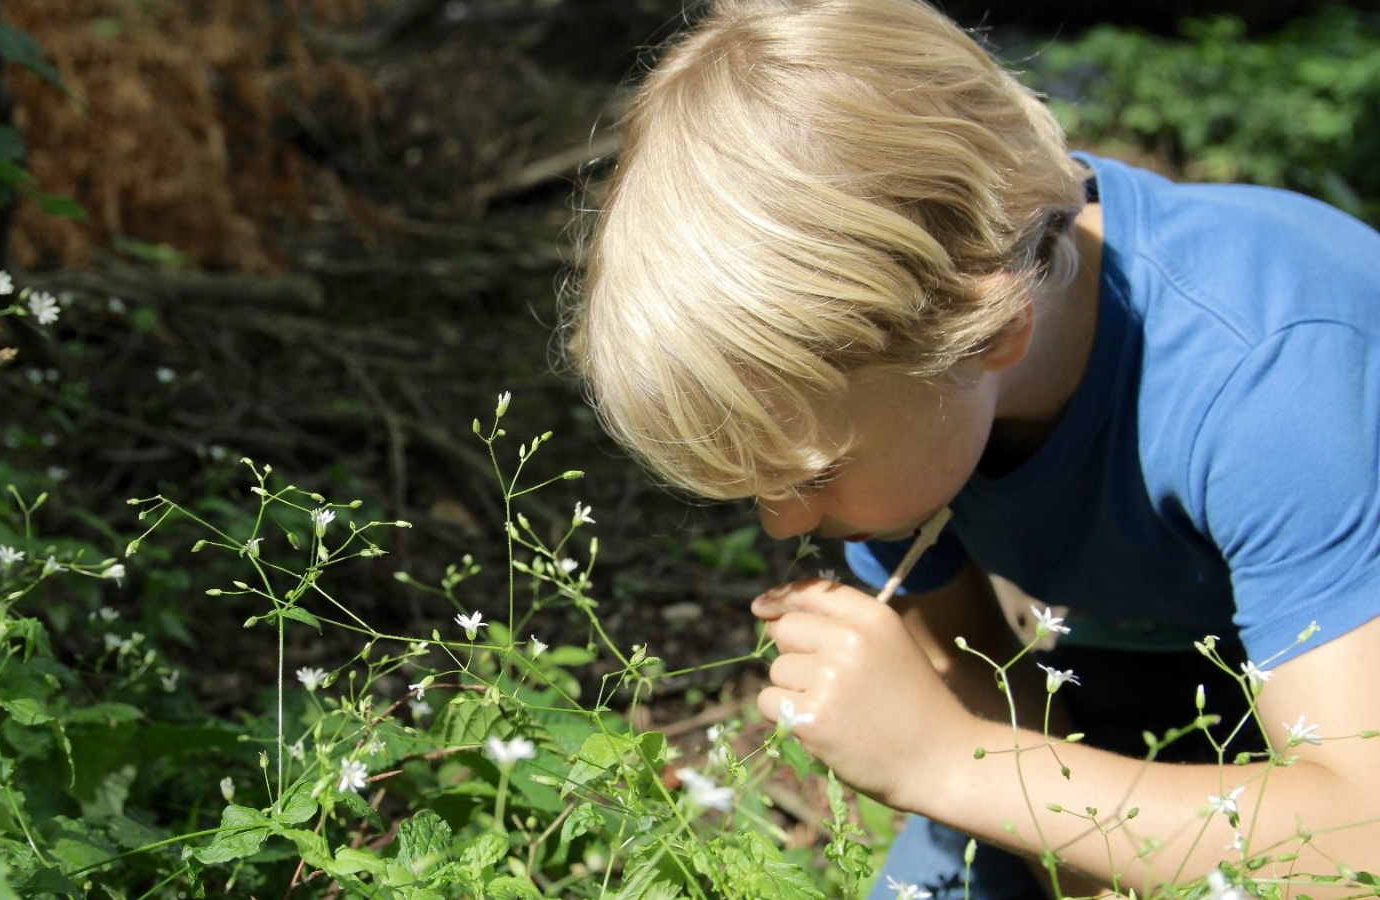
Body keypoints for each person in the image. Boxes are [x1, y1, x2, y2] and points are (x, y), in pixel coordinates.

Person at [563, 0, 1380, 897]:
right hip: (1156, 677)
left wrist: (946, 762)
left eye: (813, 474)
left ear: (992, 329)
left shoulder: (1269, 381)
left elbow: (1358, 842)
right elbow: (986, 684)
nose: (784, 519)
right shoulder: (898, 391)